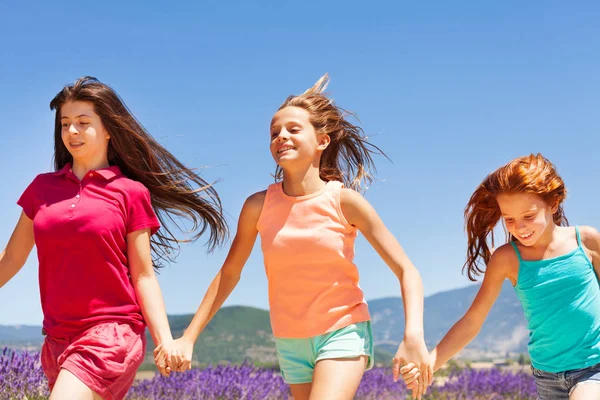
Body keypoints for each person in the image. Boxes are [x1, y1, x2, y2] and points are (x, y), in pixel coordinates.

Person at [155, 74, 432, 400]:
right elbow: (229, 273)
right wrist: (188, 337)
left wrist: (413, 333)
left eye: (293, 129)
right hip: (290, 339)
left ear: (322, 141)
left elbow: (407, 271)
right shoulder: (258, 206)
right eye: (274, 133)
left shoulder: (344, 202)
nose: (281, 137)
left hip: (343, 331)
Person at [0, 76, 227, 400]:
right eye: (65, 124)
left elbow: (144, 275)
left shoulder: (129, 193)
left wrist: (163, 339)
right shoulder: (42, 189)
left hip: (112, 333)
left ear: (108, 128)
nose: (71, 132)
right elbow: (12, 257)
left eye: (82, 122)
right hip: (56, 340)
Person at [400, 154, 600, 400]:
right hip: (547, 376)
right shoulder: (507, 259)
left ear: (553, 203)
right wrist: (428, 364)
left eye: (528, 216)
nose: (520, 227)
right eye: (509, 220)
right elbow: (472, 321)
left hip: (593, 367)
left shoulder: (586, 241)